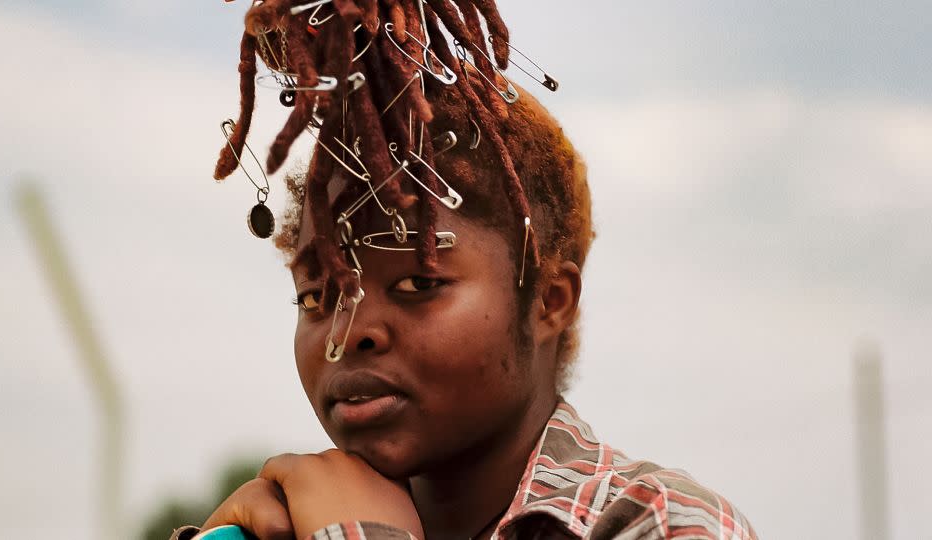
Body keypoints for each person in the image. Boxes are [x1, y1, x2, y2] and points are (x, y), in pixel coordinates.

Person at [174, 1, 758, 538]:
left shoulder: (663, 522)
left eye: (418, 283)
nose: (350, 332)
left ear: (549, 301)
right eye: (316, 297)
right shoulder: (279, 526)